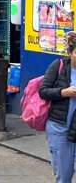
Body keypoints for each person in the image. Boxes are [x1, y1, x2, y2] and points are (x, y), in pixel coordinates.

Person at [39, 33, 76, 182]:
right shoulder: (59, 66)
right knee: (64, 175)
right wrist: (64, 92)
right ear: (70, 52)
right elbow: (43, 91)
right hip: (60, 127)